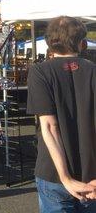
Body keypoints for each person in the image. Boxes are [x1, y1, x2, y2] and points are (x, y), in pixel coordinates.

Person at [27, 16, 96, 212]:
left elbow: (49, 126)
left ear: (49, 44)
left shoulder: (40, 72)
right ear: (82, 43)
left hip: (53, 174)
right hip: (91, 174)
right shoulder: (93, 71)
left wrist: (65, 178)